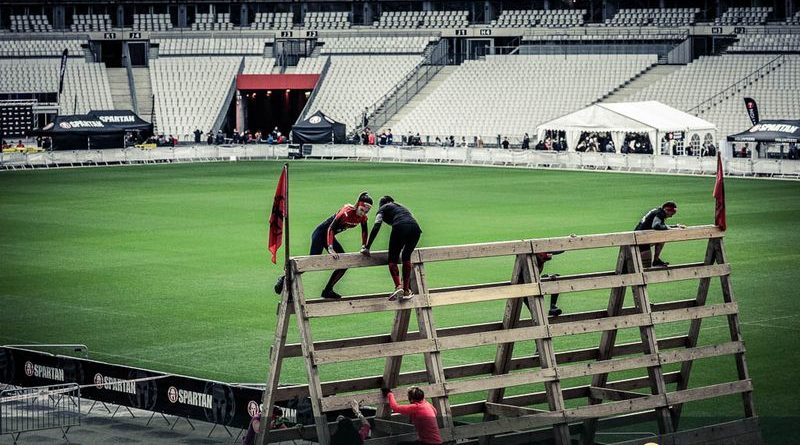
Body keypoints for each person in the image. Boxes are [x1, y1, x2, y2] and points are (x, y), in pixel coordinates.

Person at [276, 192, 374, 299]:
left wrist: (364, 246)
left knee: (344, 263)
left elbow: (364, 231)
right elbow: (330, 229)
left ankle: (328, 290)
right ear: (357, 205)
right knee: (312, 262)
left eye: (366, 211)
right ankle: (284, 278)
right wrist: (330, 248)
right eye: (361, 210)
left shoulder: (363, 218)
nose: (363, 213)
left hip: (329, 237)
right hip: (321, 233)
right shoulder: (346, 212)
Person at [362, 196, 422, 301]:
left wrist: (367, 247)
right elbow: (410, 222)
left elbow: (376, 226)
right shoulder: (402, 207)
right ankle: (406, 290)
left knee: (392, 259)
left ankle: (398, 286)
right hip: (416, 229)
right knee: (406, 257)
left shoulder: (382, 209)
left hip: (400, 226)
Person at [634, 201, 686, 267]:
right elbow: (656, 226)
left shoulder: (657, 211)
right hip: (642, 239)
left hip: (640, 236)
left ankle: (656, 260)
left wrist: (675, 226)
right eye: (672, 213)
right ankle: (656, 260)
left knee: (661, 239)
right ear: (667, 210)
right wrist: (670, 229)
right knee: (646, 267)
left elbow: (661, 226)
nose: (671, 216)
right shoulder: (660, 214)